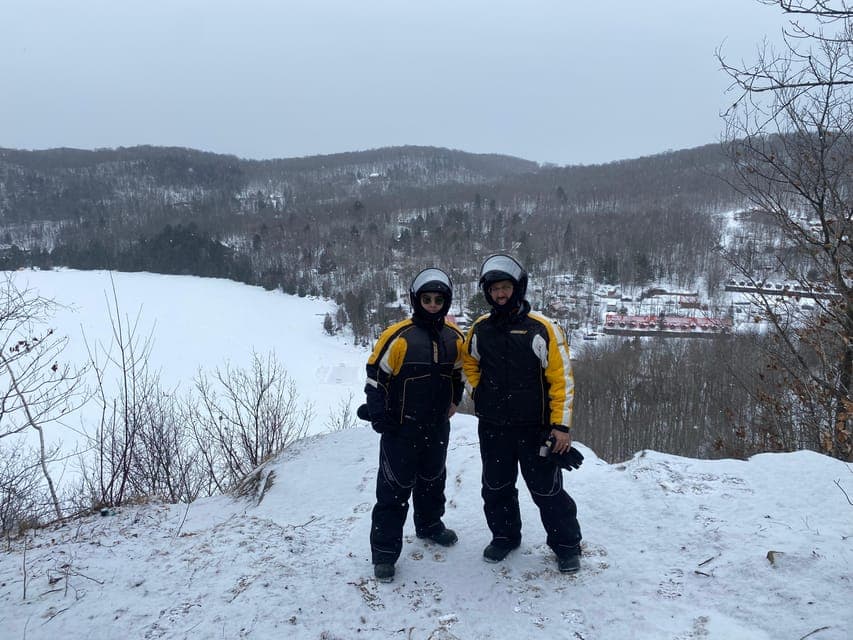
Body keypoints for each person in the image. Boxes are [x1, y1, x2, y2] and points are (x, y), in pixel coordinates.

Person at [462, 254, 583, 573]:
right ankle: (504, 537)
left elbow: (562, 380)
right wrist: (477, 391)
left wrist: (561, 426)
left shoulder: (542, 328)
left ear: (518, 288)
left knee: (547, 490)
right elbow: (468, 362)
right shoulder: (481, 328)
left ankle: (566, 546)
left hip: (535, 428)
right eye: (494, 289)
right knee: (496, 486)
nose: (500, 294)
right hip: (493, 426)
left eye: (505, 287)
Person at [360, 267, 465, 583]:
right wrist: (380, 416)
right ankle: (384, 553)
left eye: (438, 300)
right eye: (427, 299)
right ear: (416, 300)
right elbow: (375, 378)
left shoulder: (454, 338)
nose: (432, 305)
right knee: (393, 489)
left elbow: (458, 373)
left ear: (446, 302)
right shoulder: (399, 336)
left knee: (433, 479)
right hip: (400, 427)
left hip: (436, 425)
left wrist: (455, 400)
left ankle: (430, 525)